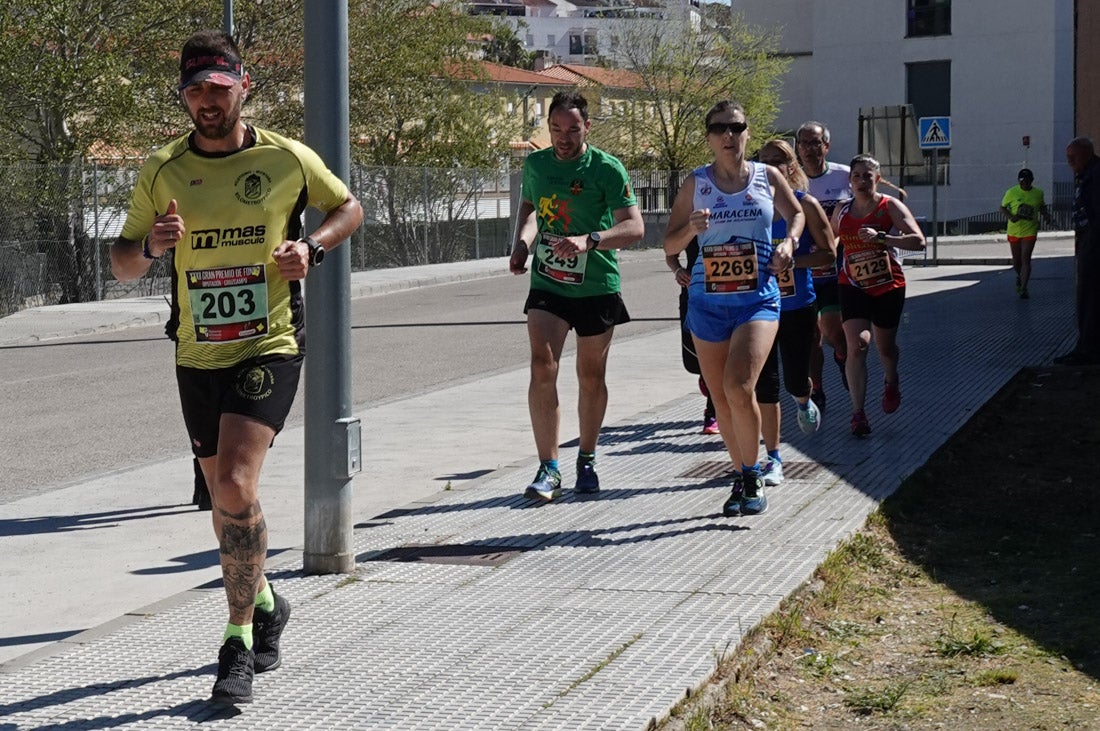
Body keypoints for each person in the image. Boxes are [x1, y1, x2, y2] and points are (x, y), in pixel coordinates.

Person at [110, 30, 363, 705]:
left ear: (242, 85)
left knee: (234, 480)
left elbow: (349, 207)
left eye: (218, 88)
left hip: (269, 342)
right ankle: (271, 602)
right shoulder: (163, 169)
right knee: (226, 506)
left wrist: (310, 247)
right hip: (196, 352)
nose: (207, 101)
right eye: (194, 90)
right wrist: (152, 248)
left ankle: (237, 641)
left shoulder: (285, 158)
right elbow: (121, 258)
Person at [663, 100, 802, 517]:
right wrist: (691, 228)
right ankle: (742, 474)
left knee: (740, 386)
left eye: (736, 127)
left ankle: (754, 472)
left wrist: (788, 244)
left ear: (746, 133)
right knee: (722, 399)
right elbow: (668, 245)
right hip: (708, 304)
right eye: (719, 128)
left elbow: (796, 215)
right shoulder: (695, 184)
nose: (729, 135)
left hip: (757, 300)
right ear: (708, 137)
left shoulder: (767, 176)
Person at [509, 90, 644, 502]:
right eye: (556, 129)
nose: (563, 138)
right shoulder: (536, 163)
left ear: (587, 126)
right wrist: (522, 243)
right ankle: (548, 467)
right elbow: (530, 206)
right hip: (549, 282)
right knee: (542, 365)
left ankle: (586, 457)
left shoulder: (607, 168)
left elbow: (635, 228)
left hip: (596, 284)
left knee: (590, 376)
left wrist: (590, 240)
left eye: (572, 129)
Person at [753, 140, 836, 486]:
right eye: (766, 161)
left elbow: (829, 254)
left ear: (793, 167)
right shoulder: (750, 206)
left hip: (797, 306)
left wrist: (792, 261)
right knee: (764, 386)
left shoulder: (807, 205)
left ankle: (804, 401)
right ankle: (772, 458)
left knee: (795, 380)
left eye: (781, 161)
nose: (774, 166)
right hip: (757, 307)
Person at [832, 154, 925, 437]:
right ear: (849, 180)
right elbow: (832, 237)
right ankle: (858, 414)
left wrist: (883, 238)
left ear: (878, 179)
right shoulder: (842, 210)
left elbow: (919, 241)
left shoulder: (890, 207)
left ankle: (891, 379)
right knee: (857, 346)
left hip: (888, 285)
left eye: (867, 176)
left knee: (885, 349)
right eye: (856, 176)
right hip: (852, 284)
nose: (861, 181)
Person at [796, 121, 852, 414]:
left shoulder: (844, 176)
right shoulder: (791, 181)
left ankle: (842, 356)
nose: (809, 149)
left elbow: (857, 213)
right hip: (802, 267)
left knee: (831, 331)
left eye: (815, 143)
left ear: (826, 146)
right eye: (803, 143)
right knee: (809, 338)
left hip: (834, 265)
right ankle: (816, 390)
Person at [666, 238, 719, 435]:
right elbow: (670, 250)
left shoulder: (737, 215)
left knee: (719, 359)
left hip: (728, 294)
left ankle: (712, 412)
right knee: (693, 361)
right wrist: (678, 270)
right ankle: (706, 378)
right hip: (694, 292)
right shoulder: (692, 214)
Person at [1055, 137, 1100, 364]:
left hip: (1093, 246)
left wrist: (1090, 244)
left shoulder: (1095, 175)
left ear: (1087, 154)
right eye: (1068, 157)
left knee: (1089, 297)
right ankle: (1086, 346)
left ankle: (1088, 349)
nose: (1069, 162)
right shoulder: (1085, 175)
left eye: (1074, 157)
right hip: (1087, 243)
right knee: (1086, 297)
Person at [1000, 168, 1053, 299]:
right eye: (1022, 181)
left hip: (1030, 230)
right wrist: (1010, 216)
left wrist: (1046, 216)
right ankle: (1019, 276)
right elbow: (1002, 207)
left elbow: (1041, 206)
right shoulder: (1011, 192)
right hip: (1014, 230)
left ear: (1031, 181)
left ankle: (1023, 288)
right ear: (1018, 181)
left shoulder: (1038, 193)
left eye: (1027, 181)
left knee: (1026, 258)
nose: (1024, 184)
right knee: (1016, 261)